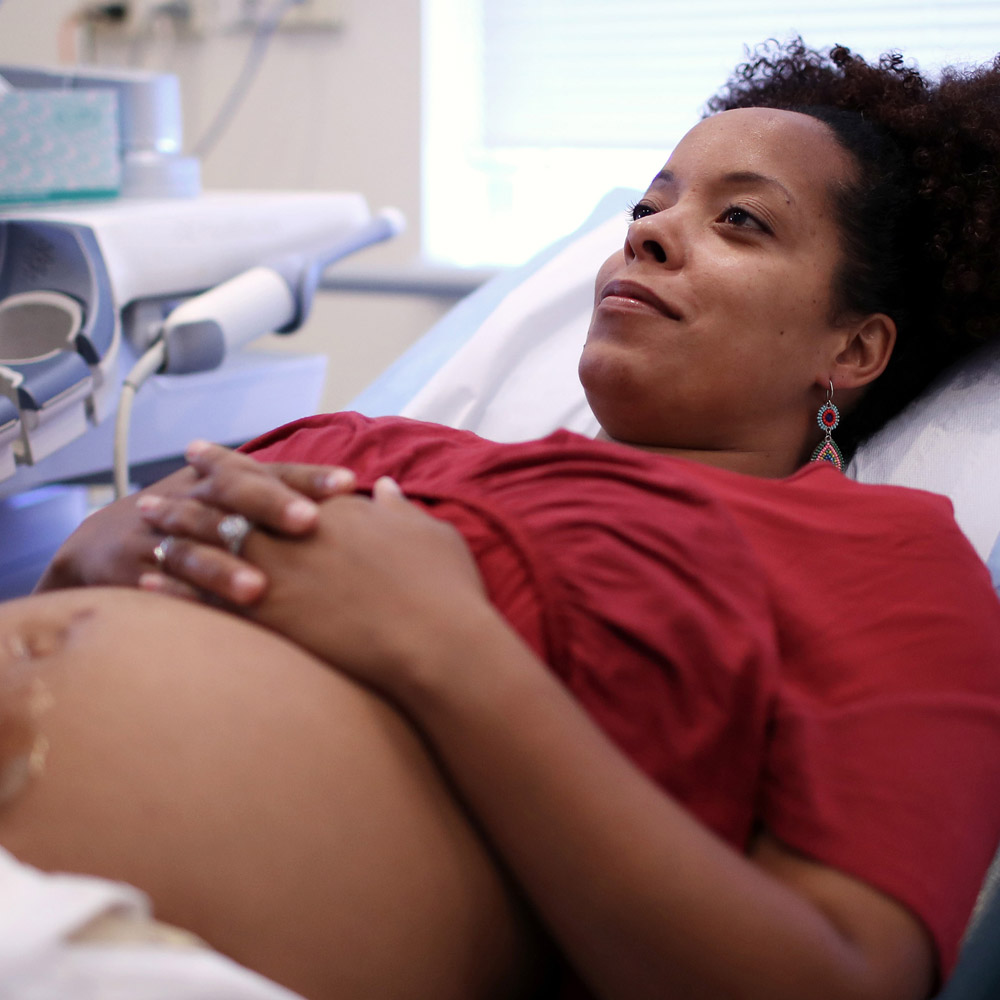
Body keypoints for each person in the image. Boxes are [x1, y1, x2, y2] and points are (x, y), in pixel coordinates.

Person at [12, 38, 1000, 1000]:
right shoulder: (381, 444)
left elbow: (847, 973)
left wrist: (443, 643)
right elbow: (112, 555)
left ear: (854, 347)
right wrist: (93, 548)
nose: (645, 234)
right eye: (648, 205)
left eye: (740, 220)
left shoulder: (883, 557)